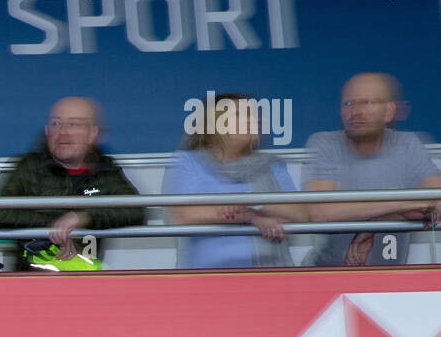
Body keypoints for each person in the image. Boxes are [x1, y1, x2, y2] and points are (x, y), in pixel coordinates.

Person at [0, 97, 145, 269]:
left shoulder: (105, 170)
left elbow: (135, 210)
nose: (63, 132)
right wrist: (57, 229)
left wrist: (82, 217)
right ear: (47, 131)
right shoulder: (27, 167)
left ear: (92, 134)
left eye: (74, 124)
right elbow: (2, 213)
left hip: (86, 280)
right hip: (30, 282)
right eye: (56, 123)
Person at [304, 73, 441, 265]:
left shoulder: (407, 144)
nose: (356, 111)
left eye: (367, 103)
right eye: (348, 104)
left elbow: (436, 202)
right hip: (326, 276)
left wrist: (372, 226)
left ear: (389, 111)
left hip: (387, 283)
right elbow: (321, 212)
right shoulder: (325, 142)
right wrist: (402, 204)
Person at [165, 93, 307, 268]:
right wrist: (250, 217)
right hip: (206, 277)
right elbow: (185, 215)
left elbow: (299, 214)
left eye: (251, 114)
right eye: (238, 115)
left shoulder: (271, 165)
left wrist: (253, 203)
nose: (250, 120)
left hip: (269, 277)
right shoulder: (189, 161)